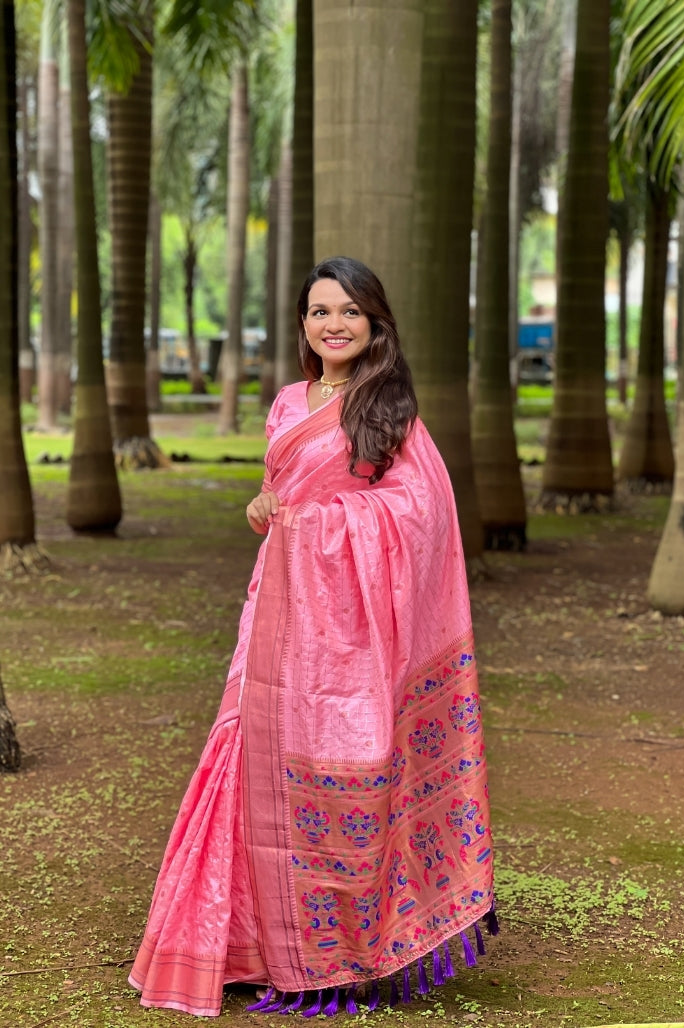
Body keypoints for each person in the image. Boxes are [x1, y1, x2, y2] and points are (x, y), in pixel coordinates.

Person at [128, 257, 496, 1018]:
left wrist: (321, 525)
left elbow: (420, 518)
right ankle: (243, 946)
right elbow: (284, 492)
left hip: (352, 636)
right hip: (275, 613)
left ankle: (342, 953)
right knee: (243, 752)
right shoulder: (289, 403)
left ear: (375, 323)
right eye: (320, 310)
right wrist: (268, 506)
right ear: (303, 323)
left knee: (353, 763)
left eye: (350, 311)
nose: (334, 324)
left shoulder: (390, 410)